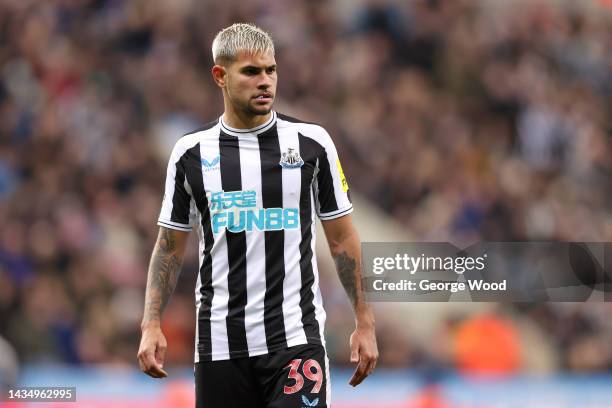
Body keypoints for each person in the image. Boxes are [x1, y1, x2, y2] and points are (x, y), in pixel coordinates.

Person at [137, 23, 378, 408]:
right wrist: (151, 324)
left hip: (295, 341)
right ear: (220, 75)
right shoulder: (190, 154)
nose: (265, 81)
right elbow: (168, 247)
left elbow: (342, 239)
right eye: (251, 72)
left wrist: (364, 322)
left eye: (271, 70)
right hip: (219, 345)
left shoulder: (312, 145)